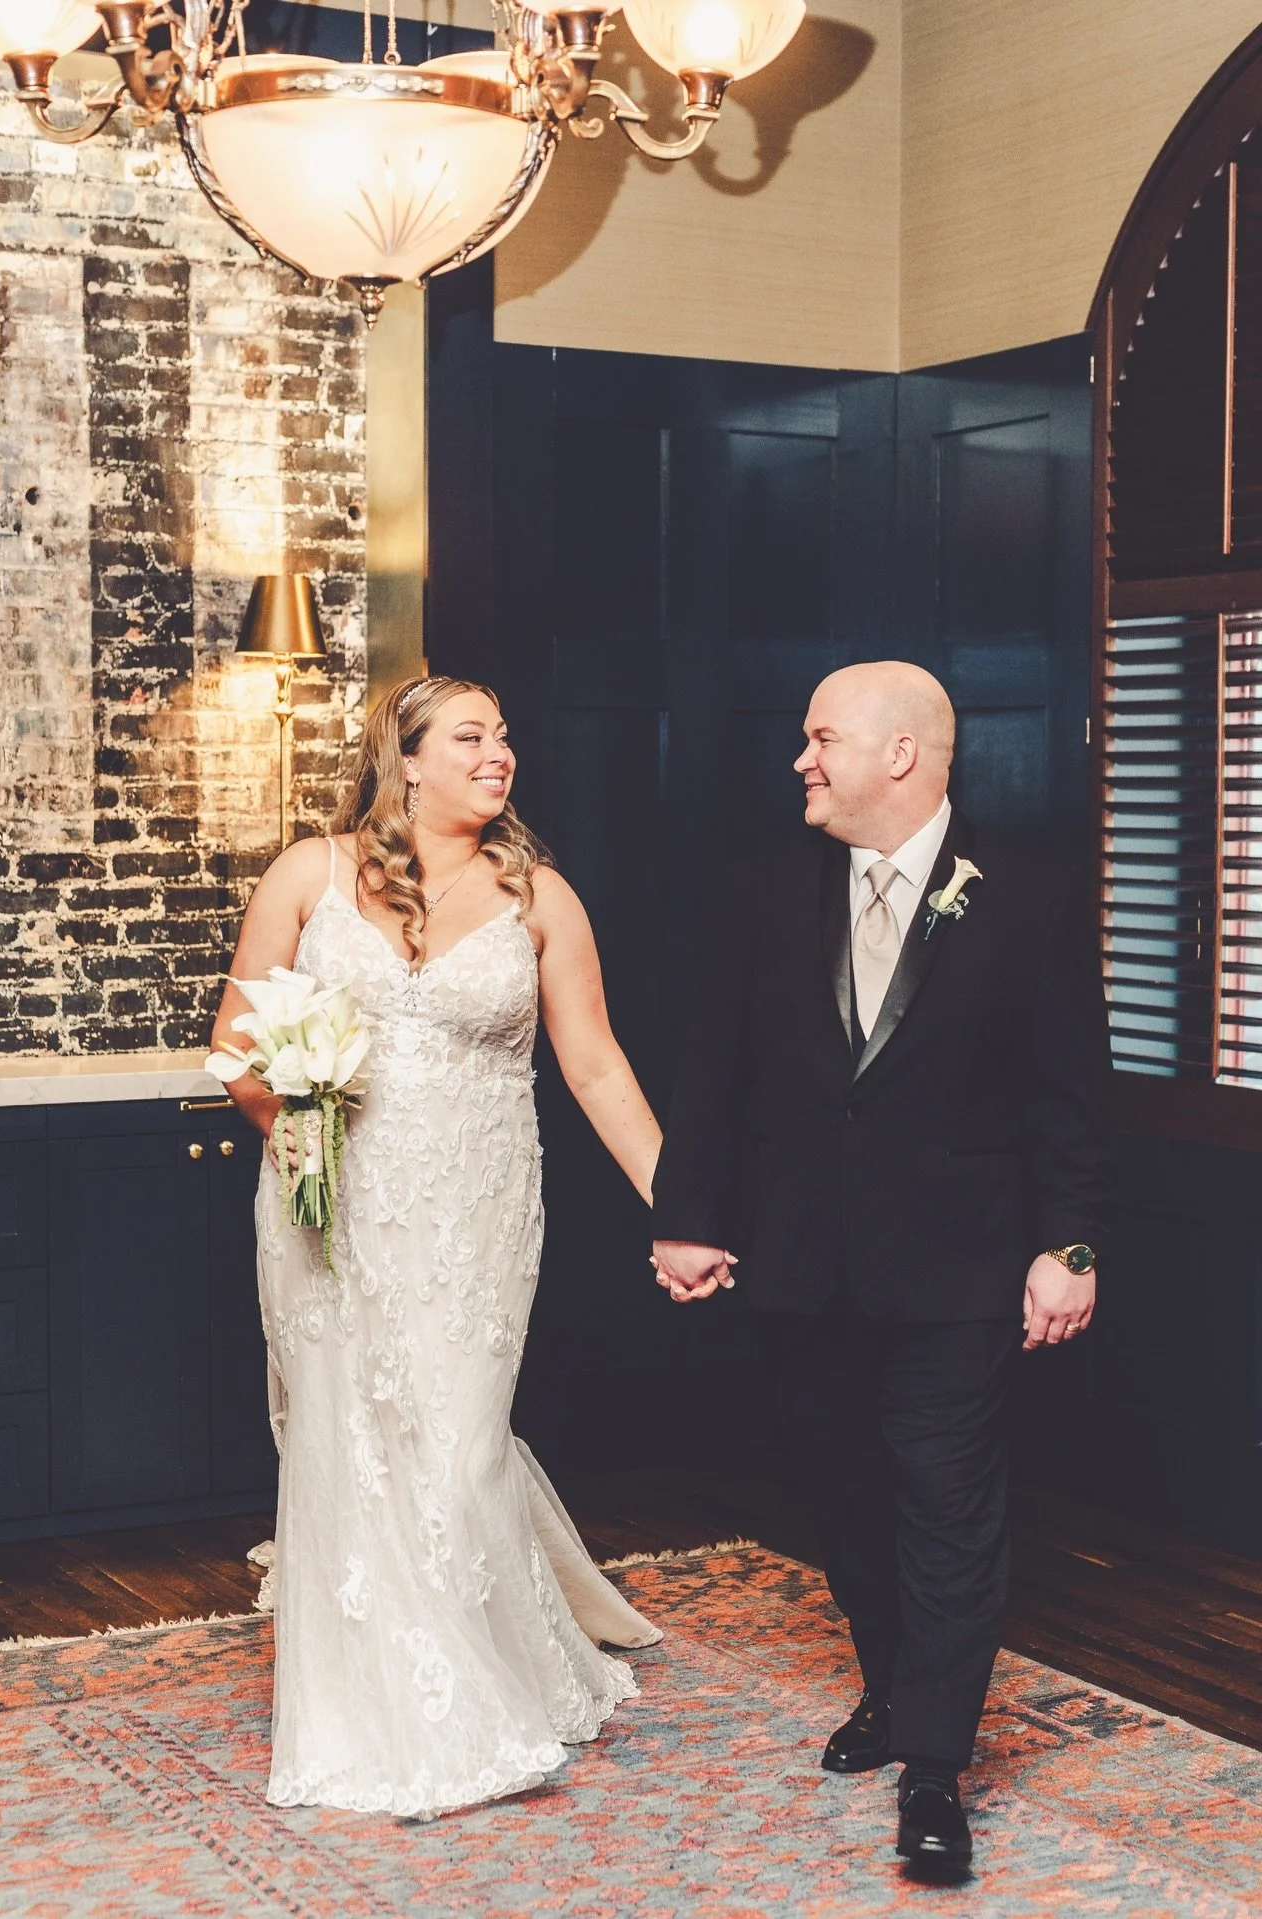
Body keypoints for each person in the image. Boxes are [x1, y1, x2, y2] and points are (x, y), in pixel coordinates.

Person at [650, 661, 1113, 1875]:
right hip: (801, 1262)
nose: (801, 760)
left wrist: (1069, 1247)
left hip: (961, 1270)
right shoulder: (761, 891)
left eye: (821, 738)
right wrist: (685, 1215)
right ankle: (892, 1688)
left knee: (947, 1503)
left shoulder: (1030, 898)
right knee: (843, 1490)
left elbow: (1072, 1100)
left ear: (901, 753)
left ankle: (938, 1768)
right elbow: (714, 1071)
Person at [211, 675, 662, 1819]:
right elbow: (236, 1044)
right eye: (473, 735)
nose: (500, 752)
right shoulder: (308, 875)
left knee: (458, 1444)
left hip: (477, 1207)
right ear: (406, 758)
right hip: (331, 1207)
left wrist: (681, 1200)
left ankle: (491, 1668)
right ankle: (380, 1715)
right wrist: (300, 1133)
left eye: (507, 734)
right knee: (350, 1436)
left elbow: (596, 1065)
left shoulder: (540, 896)